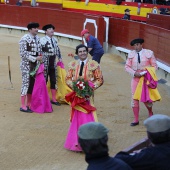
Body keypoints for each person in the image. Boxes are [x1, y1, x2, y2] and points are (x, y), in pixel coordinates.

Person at [64, 44, 104, 151]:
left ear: (87, 52)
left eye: (84, 51)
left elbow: (99, 79)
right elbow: (67, 78)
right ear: (77, 54)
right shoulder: (73, 65)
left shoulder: (94, 65)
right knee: (77, 119)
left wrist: (89, 89)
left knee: (88, 118)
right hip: (77, 97)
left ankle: (89, 143)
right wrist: (76, 88)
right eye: (80, 51)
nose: (83, 53)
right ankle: (77, 142)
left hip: (88, 97)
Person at [125, 38, 159, 126]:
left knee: (146, 98)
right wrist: (134, 73)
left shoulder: (149, 53)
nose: (136, 47)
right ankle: (136, 119)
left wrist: (147, 73)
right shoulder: (131, 54)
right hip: (136, 78)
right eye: (134, 45)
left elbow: (154, 66)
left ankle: (150, 113)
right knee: (134, 98)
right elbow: (127, 67)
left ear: (141, 45)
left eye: (137, 45)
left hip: (145, 79)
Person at [19, 22, 42, 113]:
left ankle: (29, 103)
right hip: (26, 65)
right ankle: (22, 105)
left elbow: (40, 51)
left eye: (37, 27)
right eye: (34, 28)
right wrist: (35, 58)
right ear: (30, 30)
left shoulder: (38, 38)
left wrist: (40, 58)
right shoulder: (24, 39)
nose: (37, 29)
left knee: (32, 84)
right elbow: (23, 54)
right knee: (26, 83)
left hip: (35, 65)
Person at [40, 24, 62, 106]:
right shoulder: (42, 40)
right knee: (44, 80)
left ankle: (53, 99)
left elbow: (57, 49)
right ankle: (42, 97)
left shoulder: (55, 40)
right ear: (46, 31)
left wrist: (60, 57)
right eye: (49, 29)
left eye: (52, 28)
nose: (52, 30)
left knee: (53, 80)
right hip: (45, 62)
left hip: (53, 62)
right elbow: (39, 51)